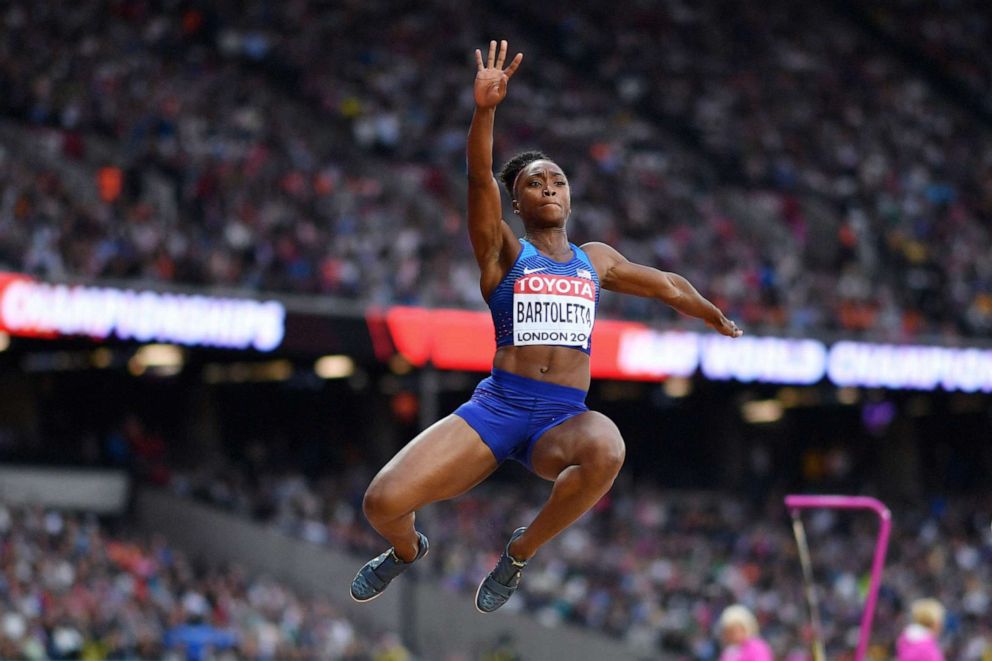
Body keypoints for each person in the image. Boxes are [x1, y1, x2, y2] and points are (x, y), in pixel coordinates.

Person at [350, 39, 742, 613]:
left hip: (561, 417)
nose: (550, 188)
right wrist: (485, 110)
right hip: (498, 408)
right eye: (536, 183)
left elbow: (666, 284)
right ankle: (407, 552)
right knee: (381, 503)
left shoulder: (595, 259)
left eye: (557, 180)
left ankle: (519, 552)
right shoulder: (504, 253)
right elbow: (478, 178)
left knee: (608, 445)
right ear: (518, 202)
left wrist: (711, 313)